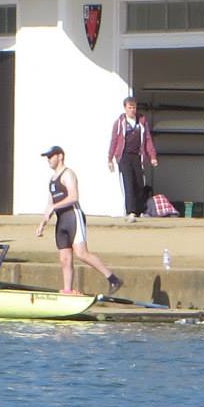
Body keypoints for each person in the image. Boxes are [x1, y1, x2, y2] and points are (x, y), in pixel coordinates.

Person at [36, 145, 120, 294]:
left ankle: (113, 279)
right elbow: (49, 204)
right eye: (47, 157)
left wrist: (54, 207)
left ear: (60, 156)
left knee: (82, 254)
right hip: (61, 220)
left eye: (50, 156)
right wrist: (42, 223)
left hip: (73, 217)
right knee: (64, 259)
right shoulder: (52, 180)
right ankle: (68, 291)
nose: (48, 160)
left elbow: (74, 196)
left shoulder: (68, 174)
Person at [107, 97, 157, 218]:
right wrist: (110, 158)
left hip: (137, 156)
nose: (132, 110)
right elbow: (114, 140)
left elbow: (147, 139)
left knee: (139, 183)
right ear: (125, 108)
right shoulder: (119, 123)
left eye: (134, 107)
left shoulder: (142, 121)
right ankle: (131, 211)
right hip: (124, 156)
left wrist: (152, 156)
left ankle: (140, 209)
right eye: (129, 107)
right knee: (128, 182)